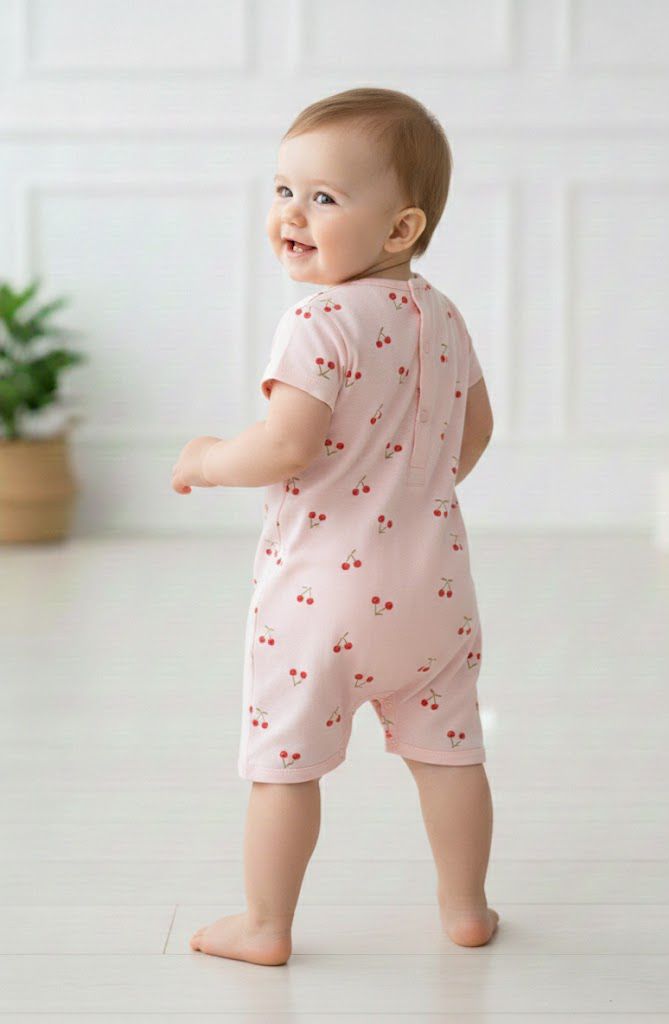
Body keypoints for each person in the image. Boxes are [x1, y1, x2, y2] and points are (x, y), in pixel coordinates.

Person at [171, 87, 497, 967]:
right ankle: (465, 908)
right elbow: (474, 431)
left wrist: (207, 459)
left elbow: (285, 445)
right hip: (433, 589)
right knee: (449, 754)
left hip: (318, 601)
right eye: (283, 189)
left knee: (285, 766)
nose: (291, 213)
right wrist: (412, 490)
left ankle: (265, 925)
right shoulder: (442, 315)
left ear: (399, 228)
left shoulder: (318, 320)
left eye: (322, 197)